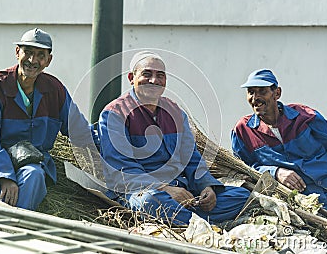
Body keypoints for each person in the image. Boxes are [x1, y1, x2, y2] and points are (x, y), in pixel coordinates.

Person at [98, 51, 250, 225]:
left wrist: (206, 186)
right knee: (149, 202)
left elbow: (192, 158)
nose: (154, 80)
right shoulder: (115, 114)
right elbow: (122, 170)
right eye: (147, 74)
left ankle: (189, 221)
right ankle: (201, 224)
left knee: (241, 196)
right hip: (142, 192)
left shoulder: (175, 112)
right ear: (132, 77)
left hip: (183, 192)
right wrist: (165, 189)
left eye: (160, 76)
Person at [0, 28, 95, 210]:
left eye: (40, 55)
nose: (32, 60)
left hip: (28, 158)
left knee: (34, 176)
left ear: (48, 60)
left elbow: (80, 131)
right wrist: (4, 176)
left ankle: (14, 228)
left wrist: (109, 149)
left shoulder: (54, 90)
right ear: (17, 52)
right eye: (27, 52)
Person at [231, 69, 327, 220]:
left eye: (262, 91)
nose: (255, 98)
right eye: (251, 92)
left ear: (277, 93)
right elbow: (243, 168)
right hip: (303, 205)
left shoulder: (305, 116)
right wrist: (275, 172)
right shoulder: (243, 131)